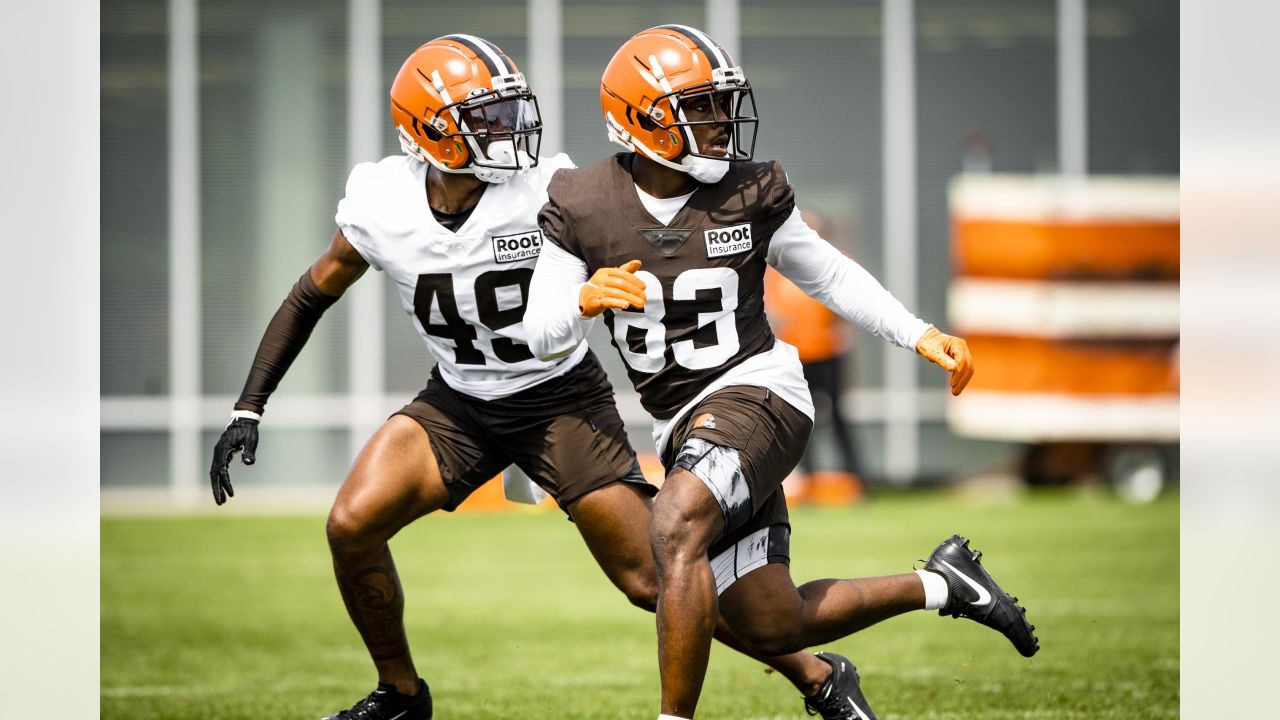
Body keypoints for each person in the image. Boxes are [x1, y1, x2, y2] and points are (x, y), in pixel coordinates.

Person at [207, 35, 874, 720]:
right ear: (426, 131)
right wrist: (250, 408)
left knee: (651, 578)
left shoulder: (549, 188)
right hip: (459, 401)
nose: (508, 132)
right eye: (485, 118)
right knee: (351, 523)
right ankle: (400, 694)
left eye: (508, 111)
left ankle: (814, 672)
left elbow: (636, 224)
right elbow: (311, 292)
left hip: (559, 401)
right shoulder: (382, 202)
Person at [524, 25, 1039, 720]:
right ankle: (944, 584)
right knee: (776, 624)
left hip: (762, 393)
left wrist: (918, 332)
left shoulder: (752, 189)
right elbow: (537, 329)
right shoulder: (580, 203)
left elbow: (826, 273)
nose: (718, 122)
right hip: (686, 423)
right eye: (698, 107)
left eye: (719, 104)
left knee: (674, 524)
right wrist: (581, 301)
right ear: (639, 117)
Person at [762, 212, 862, 499]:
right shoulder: (780, 270)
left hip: (828, 352)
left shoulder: (836, 262)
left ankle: (857, 479)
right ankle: (809, 480)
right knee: (801, 418)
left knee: (839, 416)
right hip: (797, 354)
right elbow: (776, 309)